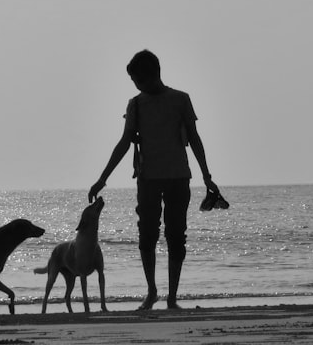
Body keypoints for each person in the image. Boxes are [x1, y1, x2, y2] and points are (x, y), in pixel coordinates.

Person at [88, 49, 222, 310]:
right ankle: (152, 292)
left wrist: (207, 176)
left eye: (137, 80)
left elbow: (194, 138)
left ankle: (172, 297)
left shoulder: (181, 100)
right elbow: (125, 142)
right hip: (148, 178)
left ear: (151, 76)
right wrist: (102, 178)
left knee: (176, 236)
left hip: (178, 177)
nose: (135, 85)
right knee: (147, 236)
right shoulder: (136, 104)